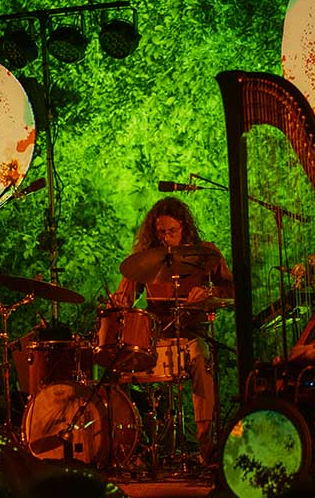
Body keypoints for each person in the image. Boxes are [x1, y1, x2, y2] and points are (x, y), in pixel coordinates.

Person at [112, 196, 233, 461]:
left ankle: (206, 447)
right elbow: (124, 297)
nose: (166, 238)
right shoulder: (147, 259)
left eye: (171, 231)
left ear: (184, 227)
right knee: (115, 362)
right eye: (161, 232)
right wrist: (118, 302)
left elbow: (231, 289)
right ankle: (127, 447)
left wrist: (209, 292)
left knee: (202, 359)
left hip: (192, 336)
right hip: (156, 339)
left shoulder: (205, 253)